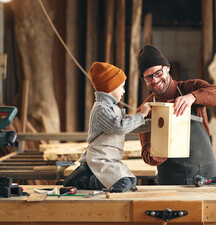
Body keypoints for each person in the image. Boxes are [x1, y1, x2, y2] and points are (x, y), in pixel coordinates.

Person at [136, 45, 216, 225]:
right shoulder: (146, 110)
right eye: (148, 77)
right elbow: (147, 154)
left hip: (204, 170)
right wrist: (159, 153)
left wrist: (192, 98)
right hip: (170, 179)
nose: (155, 80)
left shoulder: (189, 88)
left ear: (167, 68)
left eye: (158, 73)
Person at [64, 62, 151, 192]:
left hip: (110, 159)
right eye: (121, 87)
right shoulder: (101, 109)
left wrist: (154, 125)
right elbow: (120, 127)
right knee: (123, 184)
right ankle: (85, 177)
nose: (124, 90)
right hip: (99, 159)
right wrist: (141, 115)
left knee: (131, 181)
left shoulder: (113, 108)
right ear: (111, 87)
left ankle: (93, 177)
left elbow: (130, 126)